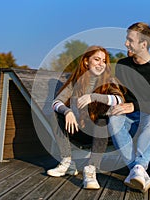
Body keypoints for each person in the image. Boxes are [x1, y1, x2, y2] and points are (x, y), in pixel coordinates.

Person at [47, 45, 124, 189]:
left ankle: (91, 170)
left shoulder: (109, 81)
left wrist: (93, 97)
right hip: (78, 130)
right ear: (86, 61)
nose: (101, 63)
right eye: (97, 59)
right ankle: (67, 162)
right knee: (55, 114)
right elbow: (56, 103)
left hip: (100, 135)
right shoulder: (76, 81)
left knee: (102, 121)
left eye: (104, 61)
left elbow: (119, 100)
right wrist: (67, 111)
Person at [107, 22, 150, 192]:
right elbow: (117, 92)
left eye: (130, 40)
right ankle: (138, 171)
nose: (125, 44)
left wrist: (133, 106)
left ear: (143, 44)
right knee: (114, 120)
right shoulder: (122, 65)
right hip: (130, 119)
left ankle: (138, 167)